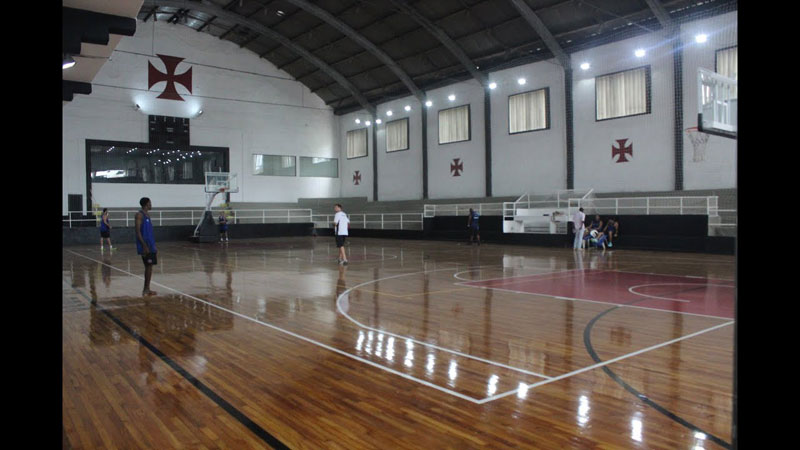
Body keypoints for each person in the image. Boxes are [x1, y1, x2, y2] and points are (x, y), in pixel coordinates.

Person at [135, 197, 158, 296]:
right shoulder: (139, 215)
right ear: (146, 204)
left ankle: (147, 288)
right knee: (148, 266)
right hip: (145, 246)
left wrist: (153, 246)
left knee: (150, 267)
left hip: (150, 245)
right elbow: (138, 231)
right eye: (150, 203)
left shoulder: (147, 215)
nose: (151, 205)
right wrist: (144, 245)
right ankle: (145, 289)